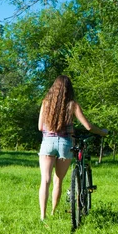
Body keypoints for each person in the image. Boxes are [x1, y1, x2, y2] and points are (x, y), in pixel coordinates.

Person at [38, 75, 108, 224]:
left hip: (47, 143)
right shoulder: (72, 105)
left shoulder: (45, 103)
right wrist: (102, 132)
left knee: (45, 180)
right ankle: (53, 211)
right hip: (65, 143)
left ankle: (43, 216)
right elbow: (88, 127)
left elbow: (40, 127)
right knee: (58, 180)